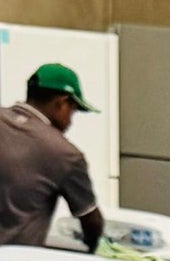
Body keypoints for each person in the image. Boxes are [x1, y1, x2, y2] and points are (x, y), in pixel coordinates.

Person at [0, 62, 106, 250]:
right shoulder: (65, 154)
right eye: (73, 111)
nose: (70, 121)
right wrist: (94, 245)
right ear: (62, 103)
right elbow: (91, 222)